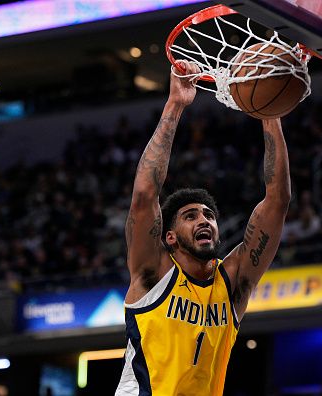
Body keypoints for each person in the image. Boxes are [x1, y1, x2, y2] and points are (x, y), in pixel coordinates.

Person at [115, 61, 291, 395]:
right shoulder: (153, 273)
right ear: (169, 237)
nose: (204, 220)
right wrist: (175, 104)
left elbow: (277, 201)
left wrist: (270, 112)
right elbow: (143, 196)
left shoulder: (233, 282)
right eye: (191, 216)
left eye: (209, 215)